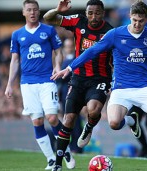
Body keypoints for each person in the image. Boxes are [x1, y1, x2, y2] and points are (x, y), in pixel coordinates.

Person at [51, 1, 147, 170]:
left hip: (144, 88)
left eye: (141, 20)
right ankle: (130, 120)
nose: (137, 24)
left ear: (146, 19)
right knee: (113, 123)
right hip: (121, 89)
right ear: (130, 17)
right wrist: (69, 67)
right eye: (134, 20)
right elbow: (92, 51)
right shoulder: (115, 34)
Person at [4, 0, 75, 170]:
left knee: (51, 117)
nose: (32, 12)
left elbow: (58, 51)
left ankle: (64, 150)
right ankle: (51, 159)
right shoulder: (17, 35)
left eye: (35, 10)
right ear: (23, 13)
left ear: (38, 11)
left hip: (47, 80)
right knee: (37, 121)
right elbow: (15, 60)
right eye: (29, 10)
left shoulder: (49, 30)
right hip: (27, 84)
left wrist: (58, 65)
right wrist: (9, 84)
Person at [43, 0, 113, 170]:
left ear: (102, 13)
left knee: (94, 110)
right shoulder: (78, 21)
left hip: (100, 79)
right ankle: (58, 165)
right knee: (68, 120)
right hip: (78, 79)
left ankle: (88, 127)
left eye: (97, 13)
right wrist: (58, 10)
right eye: (90, 13)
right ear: (86, 13)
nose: (93, 17)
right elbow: (48, 18)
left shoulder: (110, 32)